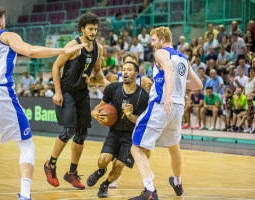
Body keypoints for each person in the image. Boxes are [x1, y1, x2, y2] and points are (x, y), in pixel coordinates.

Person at [0, 6, 86, 200]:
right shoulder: (6, 36)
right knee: (26, 145)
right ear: (1, 21)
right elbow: (31, 51)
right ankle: (25, 195)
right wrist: (64, 50)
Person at [129, 26, 203, 200]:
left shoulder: (161, 53)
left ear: (162, 39)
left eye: (154, 40)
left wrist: (168, 95)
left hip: (162, 104)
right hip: (178, 108)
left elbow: (168, 70)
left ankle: (150, 191)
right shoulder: (184, 58)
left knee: (136, 147)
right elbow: (198, 85)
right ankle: (177, 182)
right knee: (174, 147)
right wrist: (176, 87)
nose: (153, 44)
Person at [43, 13, 110, 190]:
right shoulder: (73, 46)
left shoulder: (99, 48)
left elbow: (97, 72)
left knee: (82, 134)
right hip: (67, 92)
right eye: (90, 29)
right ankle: (50, 164)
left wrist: (106, 83)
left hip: (82, 93)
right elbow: (56, 66)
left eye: (95, 29)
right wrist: (57, 92)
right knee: (69, 130)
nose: (93, 32)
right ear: (82, 28)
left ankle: (71, 173)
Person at [86, 62, 149, 198]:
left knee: (118, 166)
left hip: (130, 137)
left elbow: (141, 122)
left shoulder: (143, 96)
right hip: (114, 132)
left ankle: (105, 185)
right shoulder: (113, 88)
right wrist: (94, 113)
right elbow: (98, 108)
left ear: (136, 74)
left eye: (129, 70)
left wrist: (130, 116)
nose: (125, 72)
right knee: (103, 160)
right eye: (123, 70)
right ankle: (100, 171)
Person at [88, 52, 153, 93]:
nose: (130, 65)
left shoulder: (144, 80)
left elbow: (157, 92)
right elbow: (93, 81)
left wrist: (150, 92)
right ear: (123, 64)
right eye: (127, 63)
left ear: (137, 64)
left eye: (132, 63)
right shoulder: (114, 78)